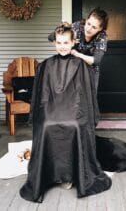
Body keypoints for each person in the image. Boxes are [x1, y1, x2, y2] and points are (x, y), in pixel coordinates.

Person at [20, 23, 112, 203]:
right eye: (59, 43)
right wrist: (48, 113)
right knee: (47, 126)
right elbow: (43, 97)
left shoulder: (81, 65)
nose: (62, 46)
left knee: (75, 126)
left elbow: (84, 97)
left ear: (73, 43)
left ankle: (71, 174)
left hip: (73, 112)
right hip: (52, 112)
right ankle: (49, 173)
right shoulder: (46, 66)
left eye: (66, 43)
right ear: (54, 43)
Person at [48, 7, 109, 90]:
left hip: (91, 70)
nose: (89, 28)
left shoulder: (102, 36)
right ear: (86, 20)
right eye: (89, 23)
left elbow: (96, 60)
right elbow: (51, 37)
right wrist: (63, 29)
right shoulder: (76, 27)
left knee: (90, 98)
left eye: (94, 27)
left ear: (100, 29)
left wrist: (77, 54)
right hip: (73, 67)